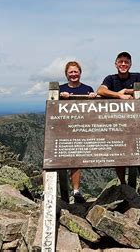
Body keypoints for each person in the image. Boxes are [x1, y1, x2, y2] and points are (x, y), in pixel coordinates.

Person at [97, 51, 140, 185]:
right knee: (119, 154)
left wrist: (127, 91)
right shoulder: (111, 78)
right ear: (116, 64)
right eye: (120, 61)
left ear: (130, 64)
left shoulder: (136, 76)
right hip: (116, 123)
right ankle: (123, 184)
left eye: (126, 62)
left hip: (134, 123)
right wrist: (119, 95)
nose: (123, 64)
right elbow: (101, 91)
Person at [60, 61, 96, 203]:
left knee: (76, 160)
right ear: (66, 74)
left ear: (80, 73)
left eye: (76, 72)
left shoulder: (87, 88)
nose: (73, 74)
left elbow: (93, 110)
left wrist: (94, 97)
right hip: (63, 129)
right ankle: (47, 191)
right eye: (71, 72)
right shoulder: (59, 89)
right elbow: (52, 106)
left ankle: (76, 191)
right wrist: (59, 97)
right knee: (53, 160)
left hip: (80, 129)